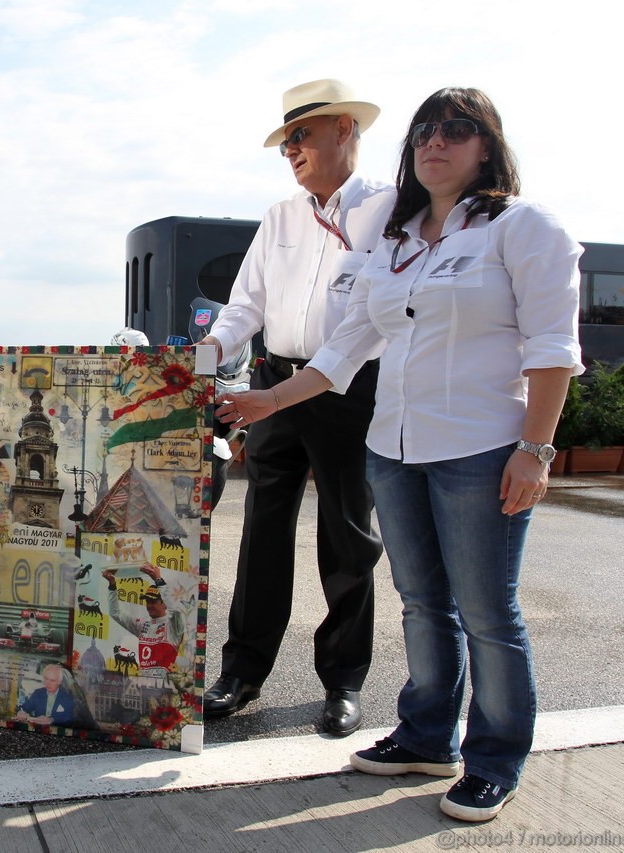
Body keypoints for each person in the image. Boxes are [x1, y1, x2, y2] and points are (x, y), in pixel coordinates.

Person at [220, 87, 581, 822]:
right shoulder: (394, 240)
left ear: (487, 146)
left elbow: (552, 349)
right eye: (424, 132)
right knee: (423, 604)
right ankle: (425, 734)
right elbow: (346, 346)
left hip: (480, 447)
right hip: (393, 445)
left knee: (487, 611)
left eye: (455, 129)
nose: (435, 143)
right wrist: (266, 399)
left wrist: (534, 450)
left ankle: (494, 757)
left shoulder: (521, 227)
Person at [197, 80, 394, 734]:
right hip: (270, 384)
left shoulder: (386, 212)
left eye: (301, 136)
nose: (291, 151)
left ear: (344, 129)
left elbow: (365, 321)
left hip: (347, 389)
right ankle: (241, 671)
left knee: (347, 536)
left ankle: (342, 681)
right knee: (261, 533)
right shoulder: (279, 217)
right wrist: (204, 356)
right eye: (285, 142)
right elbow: (245, 306)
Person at [103, 564, 185, 677]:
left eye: (153, 602)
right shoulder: (142, 624)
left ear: (164, 604)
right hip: (145, 686)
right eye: (147, 601)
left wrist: (158, 580)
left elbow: (175, 610)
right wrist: (112, 585)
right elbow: (115, 614)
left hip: (164, 686)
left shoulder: (173, 625)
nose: (149, 605)